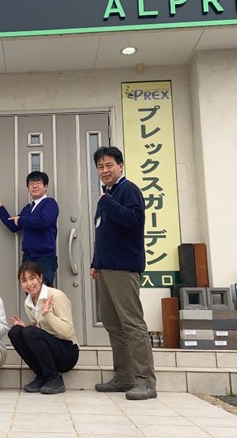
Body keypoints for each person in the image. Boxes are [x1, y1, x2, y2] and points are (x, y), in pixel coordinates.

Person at [90, 146, 157, 401]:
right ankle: (124, 377)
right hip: (106, 269)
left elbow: (134, 220)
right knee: (113, 325)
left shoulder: (128, 190)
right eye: (100, 167)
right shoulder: (109, 194)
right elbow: (102, 233)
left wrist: (107, 203)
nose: (104, 170)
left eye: (109, 165)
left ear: (120, 166)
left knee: (132, 324)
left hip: (124, 269)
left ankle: (145, 381)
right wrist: (95, 262)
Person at [9, 261, 79, 395]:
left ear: (40, 278)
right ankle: (41, 375)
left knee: (29, 331)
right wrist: (26, 327)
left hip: (67, 352)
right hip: (50, 351)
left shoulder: (56, 296)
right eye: (24, 280)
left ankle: (54, 378)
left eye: (32, 278)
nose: (29, 284)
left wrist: (48, 315)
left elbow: (68, 331)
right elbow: (39, 332)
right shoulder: (28, 302)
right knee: (16, 332)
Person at [0, 171, 59, 286]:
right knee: (30, 292)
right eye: (31, 183)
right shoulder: (28, 208)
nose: (34, 185)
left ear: (46, 186)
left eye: (38, 182)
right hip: (28, 258)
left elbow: (43, 222)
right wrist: (0, 209)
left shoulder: (50, 203)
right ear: (28, 187)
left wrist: (21, 219)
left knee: (43, 293)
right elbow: (14, 226)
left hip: (44, 258)